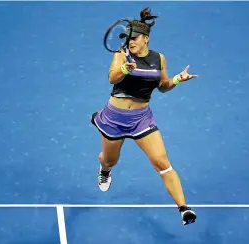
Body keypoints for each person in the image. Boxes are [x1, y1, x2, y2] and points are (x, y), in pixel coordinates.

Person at [91, 7, 197, 225]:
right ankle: (104, 169)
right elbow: (112, 78)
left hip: (141, 119)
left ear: (145, 39)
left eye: (134, 38)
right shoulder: (121, 55)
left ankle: (184, 209)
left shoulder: (159, 59)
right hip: (114, 118)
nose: (130, 42)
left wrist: (178, 79)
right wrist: (126, 70)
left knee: (161, 162)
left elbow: (163, 86)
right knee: (110, 159)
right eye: (127, 38)